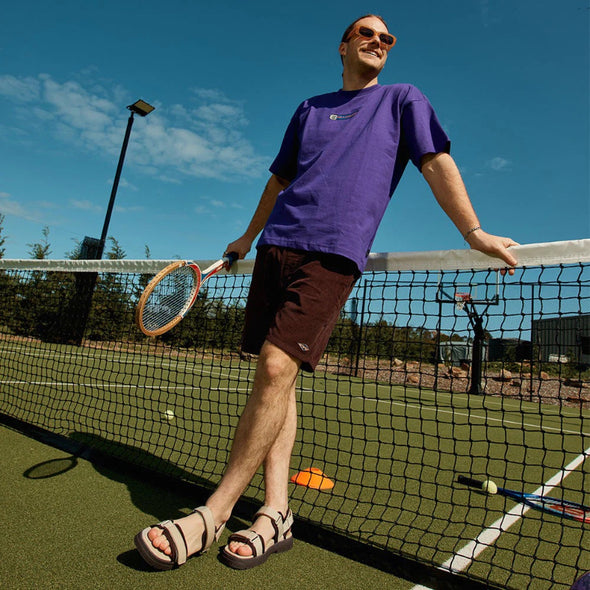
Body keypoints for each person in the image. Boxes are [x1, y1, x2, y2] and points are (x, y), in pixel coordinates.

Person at [134, 13, 518, 571]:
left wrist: (473, 232)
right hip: (275, 247)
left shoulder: (403, 100)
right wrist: (247, 235)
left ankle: (214, 512)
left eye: (388, 38)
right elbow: (279, 179)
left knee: (273, 368)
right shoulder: (308, 108)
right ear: (343, 45)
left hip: (333, 251)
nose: (379, 42)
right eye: (367, 33)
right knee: (279, 380)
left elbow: (435, 161)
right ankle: (276, 512)